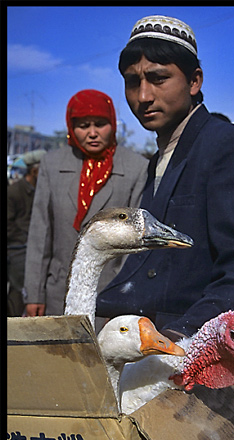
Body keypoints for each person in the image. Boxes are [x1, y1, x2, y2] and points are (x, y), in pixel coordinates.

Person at [96, 15, 234, 341]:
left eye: (158, 78)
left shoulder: (230, 146)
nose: (143, 96)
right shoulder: (160, 158)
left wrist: (182, 339)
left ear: (194, 81)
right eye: (132, 81)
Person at [24, 89, 148, 320]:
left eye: (100, 124)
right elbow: (40, 234)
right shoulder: (52, 165)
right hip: (56, 291)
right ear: (71, 128)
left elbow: (135, 244)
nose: (92, 133)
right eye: (83, 125)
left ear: (113, 123)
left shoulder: (136, 167)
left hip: (109, 294)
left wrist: (122, 296)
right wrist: (33, 294)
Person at [7, 151, 44, 316]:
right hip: (17, 248)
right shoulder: (14, 192)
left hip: (30, 247)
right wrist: (25, 238)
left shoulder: (40, 192)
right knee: (19, 288)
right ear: (34, 171)